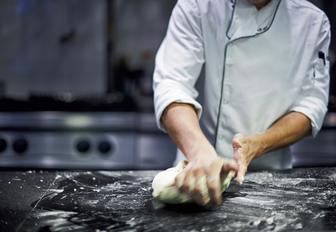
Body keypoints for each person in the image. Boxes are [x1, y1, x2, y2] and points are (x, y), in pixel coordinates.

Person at [153, 0, 331, 206]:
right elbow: (172, 84)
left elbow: (311, 105)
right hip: (194, 175)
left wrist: (258, 144)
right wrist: (199, 152)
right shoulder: (197, 6)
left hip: (272, 181)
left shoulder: (313, 22)